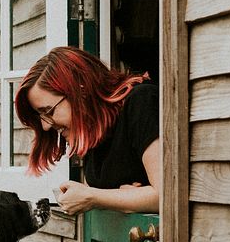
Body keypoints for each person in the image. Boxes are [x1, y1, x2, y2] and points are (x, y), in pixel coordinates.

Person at [14, 46, 160, 214]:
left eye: (49, 111)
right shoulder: (94, 131)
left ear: (81, 92)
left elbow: (165, 194)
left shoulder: (141, 102)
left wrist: (93, 196)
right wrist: (122, 198)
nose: (45, 125)